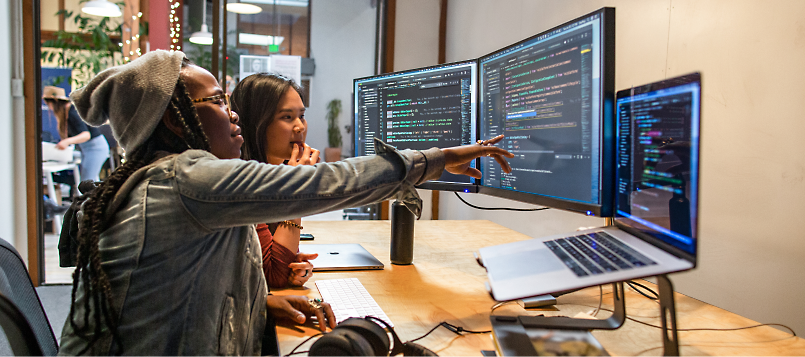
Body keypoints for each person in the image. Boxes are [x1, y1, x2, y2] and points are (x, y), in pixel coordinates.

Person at [59, 50, 513, 356]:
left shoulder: (163, 177)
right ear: (177, 122)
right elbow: (330, 182)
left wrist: (258, 305)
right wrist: (437, 159)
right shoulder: (186, 179)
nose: (232, 111)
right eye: (216, 100)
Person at [231, 73, 319, 289]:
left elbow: (272, 265)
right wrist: (296, 189)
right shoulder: (243, 182)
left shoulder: (270, 175)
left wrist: (292, 262)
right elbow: (274, 276)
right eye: (287, 117)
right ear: (257, 124)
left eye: (302, 116)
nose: (300, 127)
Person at [43, 86, 111, 182]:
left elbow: (86, 135)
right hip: (87, 149)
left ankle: (90, 197)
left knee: (87, 181)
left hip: (96, 149)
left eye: (48, 103)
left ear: (55, 103)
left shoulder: (73, 112)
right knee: (91, 179)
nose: (49, 107)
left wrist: (67, 141)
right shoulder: (67, 113)